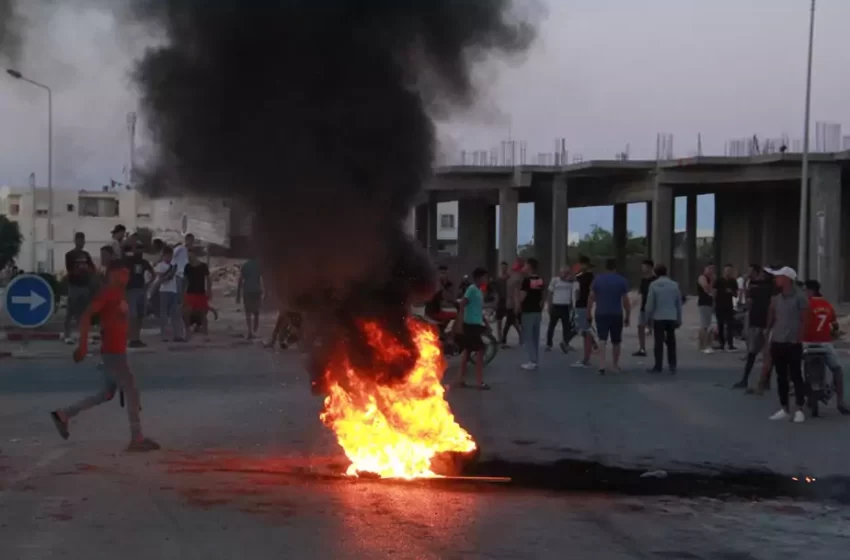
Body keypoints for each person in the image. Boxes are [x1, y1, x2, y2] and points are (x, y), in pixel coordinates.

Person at [49, 263, 160, 452]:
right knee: (132, 391)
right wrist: (83, 345)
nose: (126, 276)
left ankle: (63, 414)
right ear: (112, 275)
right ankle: (136, 438)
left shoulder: (120, 295)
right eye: (122, 273)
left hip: (115, 352)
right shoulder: (107, 293)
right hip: (112, 353)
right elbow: (86, 316)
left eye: (127, 273)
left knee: (105, 394)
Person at [764, 266, 809, 423]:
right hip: (778, 342)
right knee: (781, 377)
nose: (776, 279)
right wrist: (768, 335)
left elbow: (804, 320)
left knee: (796, 376)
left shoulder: (800, 297)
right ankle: (784, 408)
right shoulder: (776, 298)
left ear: (787, 279)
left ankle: (799, 409)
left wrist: (799, 338)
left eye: (779, 277)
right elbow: (773, 319)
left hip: (792, 343)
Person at [802, 279, 850, 415]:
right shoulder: (827, 304)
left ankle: (798, 398)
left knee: (793, 367)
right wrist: (834, 334)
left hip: (806, 342)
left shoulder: (805, 304)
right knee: (837, 369)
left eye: (805, 290)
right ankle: (840, 402)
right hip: (824, 343)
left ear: (811, 291)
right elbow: (835, 325)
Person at [588, 258, 631, 374]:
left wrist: (588, 312)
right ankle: (615, 365)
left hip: (601, 313)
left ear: (605, 267)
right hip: (616, 313)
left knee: (602, 339)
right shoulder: (622, 281)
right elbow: (625, 300)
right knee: (616, 340)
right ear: (615, 267)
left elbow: (591, 297)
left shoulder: (597, 280)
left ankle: (602, 365)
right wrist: (628, 315)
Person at [734, 265, 772, 389]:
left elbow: (748, 303)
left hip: (756, 323)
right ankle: (766, 381)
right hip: (768, 324)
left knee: (752, 353)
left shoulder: (755, 288)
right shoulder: (774, 289)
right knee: (767, 354)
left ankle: (745, 379)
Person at [455, 267, 491, 390]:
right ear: (478, 278)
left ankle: (461, 379)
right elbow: (462, 304)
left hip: (476, 325)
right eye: (485, 277)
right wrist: (459, 322)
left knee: (467, 352)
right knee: (480, 351)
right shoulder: (471, 289)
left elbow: (478, 310)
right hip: (470, 326)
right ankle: (479, 382)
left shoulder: (479, 291)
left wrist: (485, 322)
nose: (486, 279)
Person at [644, 264, 682, 373]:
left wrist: (648, 318)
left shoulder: (654, 285)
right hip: (671, 316)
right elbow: (678, 303)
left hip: (658, 317)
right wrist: (679, 318)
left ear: (655, 273)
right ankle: (672, 364)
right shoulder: (674, 285)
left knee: (658, 342)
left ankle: (658, 365)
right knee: (671, 341)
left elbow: (650, 304)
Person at [63, 232, 96, 344]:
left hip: (85, 286)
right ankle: (67, 335)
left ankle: (84, 335)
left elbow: (92, 268)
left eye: (83, 240)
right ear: (75, 241)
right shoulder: (70, 255)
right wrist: (79, 270)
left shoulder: (86, 255)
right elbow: (70, 270)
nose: (81, 243)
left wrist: (88, 272)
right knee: (71, 311)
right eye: (79, 240)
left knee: (84, 312)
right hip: (74, 286)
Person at [151, 245, 184, 342]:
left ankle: (177, 335)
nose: (169, 258)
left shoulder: (173, 266)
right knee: (164, 314)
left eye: (170, 256)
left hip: (173, 291)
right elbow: (162, 278)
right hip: (164, 291)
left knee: (175, 314)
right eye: (167, 256)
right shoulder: (161, 265)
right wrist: (169, 274)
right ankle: (164, 335)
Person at [124, 242, 153, 348]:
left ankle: (137, 337)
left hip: (141, 289)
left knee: (140, 315)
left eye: (141, 248)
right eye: (137, 248)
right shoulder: (128, 261)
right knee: (133, 315)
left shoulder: (144, 262)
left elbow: (152, 273)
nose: (139, 251)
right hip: (131, 290)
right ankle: (132, 338)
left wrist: (147, 285)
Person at [517, 258, 545, 370]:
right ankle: (535, 360)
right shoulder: (540, 280)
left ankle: (532, 361)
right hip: (537, 310)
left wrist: (518, 305)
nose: (524, 267)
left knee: (528, 336)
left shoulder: (526, 281)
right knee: (535, 336)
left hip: (528, 310)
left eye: (525, 265)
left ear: (529, 266)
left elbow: (522, 296)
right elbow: (542, 296)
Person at [182, 248, 211, 339]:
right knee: (186, 312)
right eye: (188, 256)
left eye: (190, 256)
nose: (189, 258)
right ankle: (187, 331)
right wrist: (183, 293)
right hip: (190, 292)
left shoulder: (203, 266)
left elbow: (208, 279)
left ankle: (205, 333)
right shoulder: (187, 266)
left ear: (195, 255)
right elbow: (185, 280)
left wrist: (209, 290)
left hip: (201, 292)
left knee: (203, 313)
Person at [573, 255, 595, 368]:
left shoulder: (590, 277)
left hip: (584, 306)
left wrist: (588, 309)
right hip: (578, 305)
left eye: (581, 264)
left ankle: (586, 359)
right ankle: (587, 355)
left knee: (586, 332)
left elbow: (592, 294)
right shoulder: (580, 276)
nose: (580, 266)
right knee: (584, 330)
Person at [546, 265, 574, 353]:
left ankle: (566, 343)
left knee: (566, 327)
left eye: (567, 273)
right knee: (551, 326)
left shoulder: (571, 282)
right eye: (563, 272)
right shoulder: (554, 280)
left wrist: (572, 306)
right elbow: (550, 293)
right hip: (556, 306)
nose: (564, 274)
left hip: (566, 306)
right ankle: (549, 344)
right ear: (560, 273)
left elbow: (573, 294)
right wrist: (549, 305)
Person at [236, 255, 264, 340]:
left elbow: (240, 280)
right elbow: (263, 278)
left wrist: (238, 294)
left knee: (248, 312)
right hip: (257, 290)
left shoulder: (245, 265)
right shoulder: (259, 265)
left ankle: (250, 332)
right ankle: (255, 330)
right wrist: (266, 291)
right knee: (256, 312)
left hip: (247, 290)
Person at [634, 259, 656, 357]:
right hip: (644, 306)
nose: (643, 268)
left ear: (650, 267)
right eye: (643, 266)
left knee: (656, 327)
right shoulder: (643, 279)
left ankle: (659, 346)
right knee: (640, 326)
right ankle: (642, 348)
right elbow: (640, 293)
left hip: (654, 307)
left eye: (645, 266)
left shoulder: (655, 279)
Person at [714, 264, 739, 351]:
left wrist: (731, 292)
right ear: (724, 271)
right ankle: (721, 343)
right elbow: (714, 292)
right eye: (727, 270)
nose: (728, 272)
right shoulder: (719, 280)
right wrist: (714, 303)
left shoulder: (733, 281)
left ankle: (730, 344)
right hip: (719, 305)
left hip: (729, 305)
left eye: (730, 271)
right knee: (720, 324)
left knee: (730, 325)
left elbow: (736, 295)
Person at [501, 258, 525, 347]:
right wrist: (518, 305)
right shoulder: (518, 279)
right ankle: (505, 340)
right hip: (514, 304)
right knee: (513, 322)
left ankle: (520, 337)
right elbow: (516, 293)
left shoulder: (510, 278)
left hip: (510, 303)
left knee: (512, 321)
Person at [696, 264, 716, 353]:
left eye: (713, 269)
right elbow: (707, 289)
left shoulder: (711, 278)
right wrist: (712, 280)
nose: (711, 271)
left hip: (710, 303)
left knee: (708, 325)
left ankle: (704, 345)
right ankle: (705, 345)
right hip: (704, 302)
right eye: (709, 268)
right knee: (705, 325)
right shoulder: (702, 278)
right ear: (705, 269)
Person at [172, 233, 195, 306]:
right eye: (190, 240)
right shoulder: (180, 248)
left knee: (185, 293)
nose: (191, 242)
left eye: (192, 241)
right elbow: (172, 257)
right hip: (179, 274)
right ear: (186, 240)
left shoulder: (190, 252)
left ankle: (183, 309)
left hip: (187, 275)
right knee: (179, 292)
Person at [494, 261, 509, 340]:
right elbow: (496, 291)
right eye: (502, 267)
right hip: (500, 300)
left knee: (511, 319)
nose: (503, 269)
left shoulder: (509, 278)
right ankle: (500, 337)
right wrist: (496, 302)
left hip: (508, 300)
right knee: (499, 319)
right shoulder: (498, 279)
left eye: (505, 267)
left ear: (507, 268)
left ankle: (520, 333)